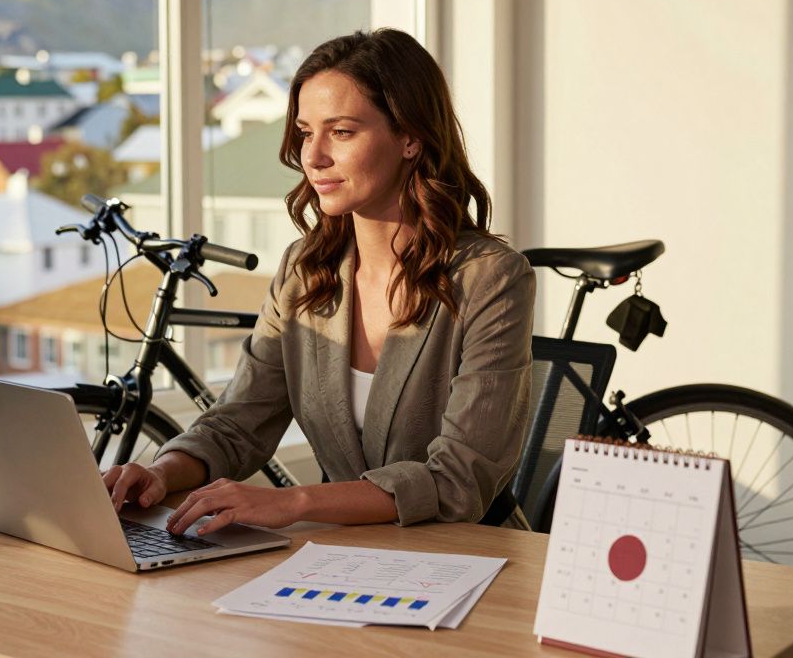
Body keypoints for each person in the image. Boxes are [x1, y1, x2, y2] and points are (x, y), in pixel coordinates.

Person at [103, 28, 535, 536]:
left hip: (472, 556)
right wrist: (160, 473)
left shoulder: (491, 278)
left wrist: (294, 501)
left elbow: (459, 479)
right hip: (344, 558)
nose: (313, 156)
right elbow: (237, 425)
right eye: (306, 132)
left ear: (410, 137)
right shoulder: (304, 271)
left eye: (342, 132)